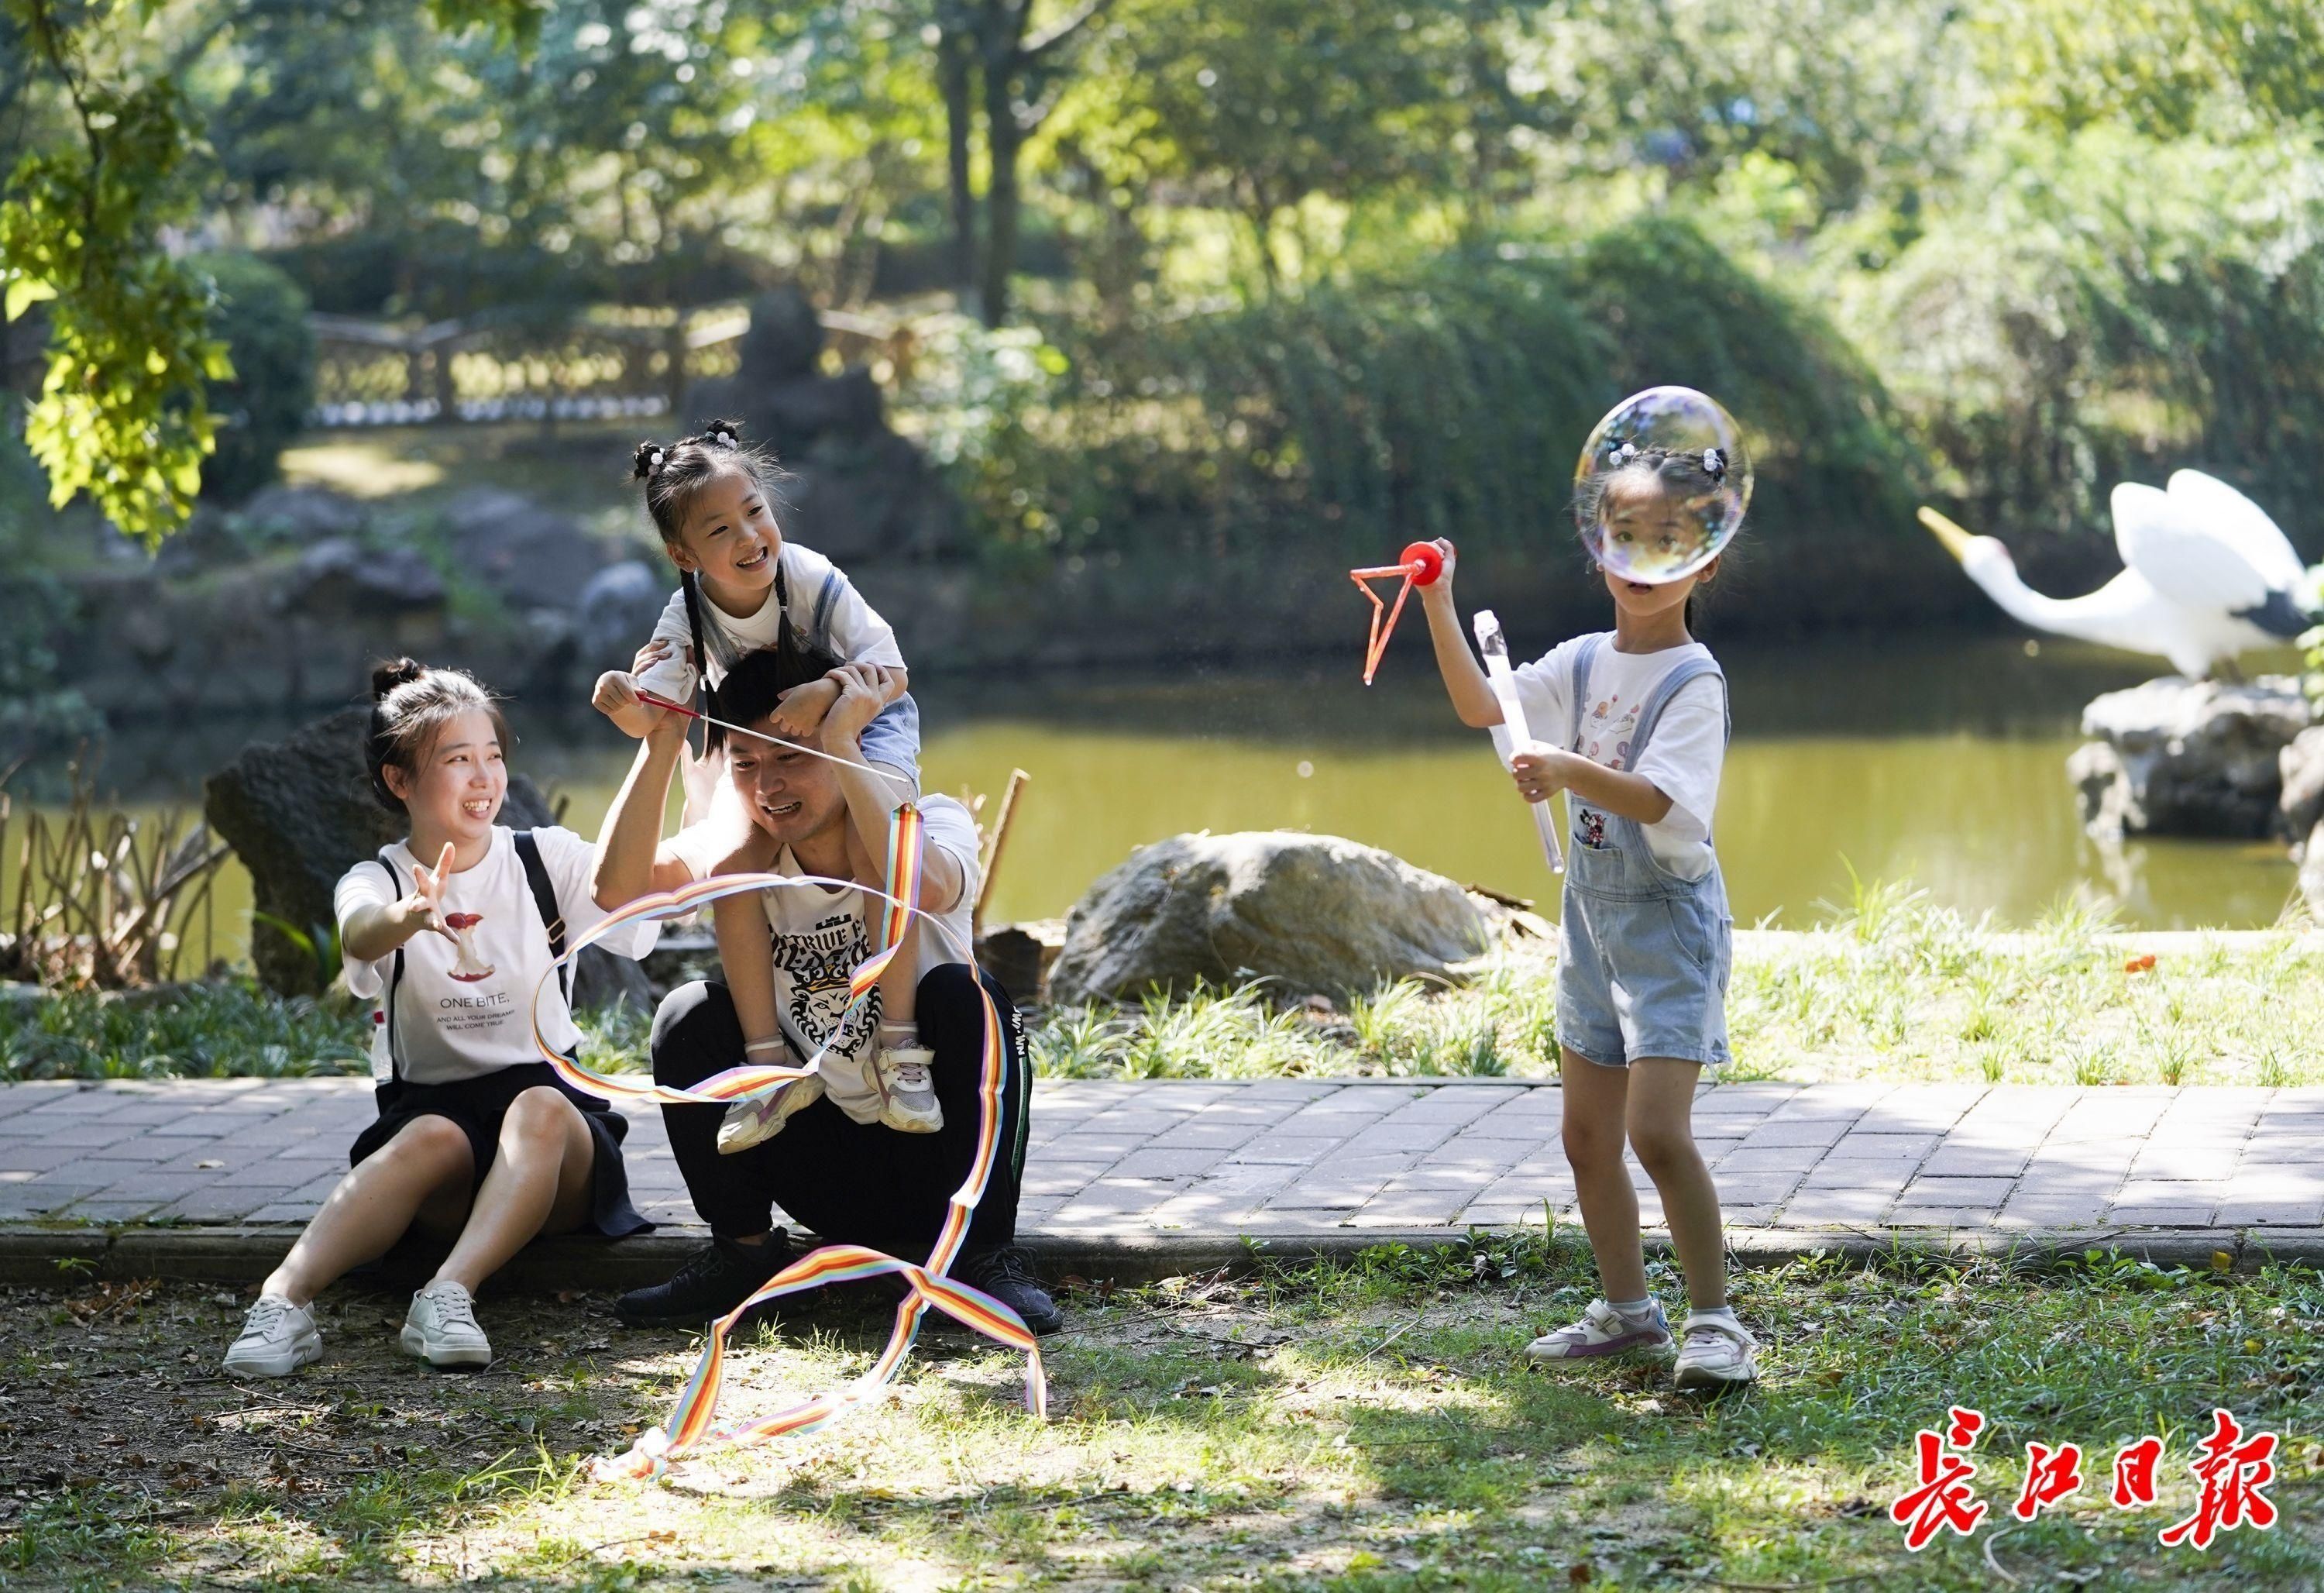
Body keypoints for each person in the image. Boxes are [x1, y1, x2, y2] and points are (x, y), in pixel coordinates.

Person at [1416, 445, 1758, 1391]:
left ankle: (1716, 1320)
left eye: (1670, 541)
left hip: (1667, 929)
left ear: (1707, 561)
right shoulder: (1580, 661)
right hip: (1591, 924)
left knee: (1657, 1132)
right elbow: (1484, 702)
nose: (1644, 559)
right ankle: (1627, 1310)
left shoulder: (1695, 681)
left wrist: (1565, 770)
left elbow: (1660, 800)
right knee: (1585, 1135)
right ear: (1597, 550)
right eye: (1627, 538)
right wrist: (1441, 601)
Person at [595, 643, 1061, 1336]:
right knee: (687, 1015)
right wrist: (664, 734)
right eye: (747, 765)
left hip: (935, 1152)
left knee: (972, 996)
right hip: (820, 1159)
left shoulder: (929, 820)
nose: (770, 787)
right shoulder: (742, 851)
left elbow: (920, 883)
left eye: (793, 757)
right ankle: (747, 1255)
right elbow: (618, 890)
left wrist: (841, 733)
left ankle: (985, 1255)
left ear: (853, 751)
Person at [222, 661, 669, 1377]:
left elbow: (624, 893)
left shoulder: (541, 858)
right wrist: (410, 915)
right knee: (429, 1133)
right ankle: (283, 1301)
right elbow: (359, 935)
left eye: (491, 756)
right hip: (440, 1144)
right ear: (400, 782)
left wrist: (661, 747)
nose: (483, 778)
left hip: (555, 1153)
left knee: (542, 1106)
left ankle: (447, 1295)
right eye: (457, 760)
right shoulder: (378, 880)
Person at [590, 418, 933, 1105]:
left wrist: (828, 692)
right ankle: (766, 1065)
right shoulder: (684, 617)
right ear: (684, 556)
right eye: (720, 531)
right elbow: (656, 718)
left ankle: (900, 1043)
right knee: (732, 869)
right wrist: (624, 704)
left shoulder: (809, 577)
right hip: (761, 745)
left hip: (862, 723)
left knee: (880, 848)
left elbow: (891, 670)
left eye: (755, 513)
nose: (750, 538)